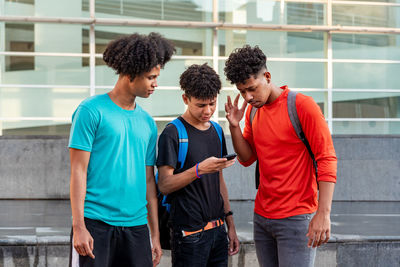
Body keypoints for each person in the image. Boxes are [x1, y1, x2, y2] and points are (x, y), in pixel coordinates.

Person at [224, 45, 337, 267]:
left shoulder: (302, 106)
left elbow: (327, 158)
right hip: (263, 217)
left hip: (297, 217)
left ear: (267, 76)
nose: (247, 97)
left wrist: (323, 213)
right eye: (242, 91)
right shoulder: (253, 110)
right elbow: (247, 159)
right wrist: (235, 127)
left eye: (252, 88)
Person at [68, 32, 174, 267]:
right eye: (150, 77)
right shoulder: (90, 111)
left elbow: (149, 181)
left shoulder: (147, 122)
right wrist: (79, 227)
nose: (155, 84)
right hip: (95, 223)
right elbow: (78, 171)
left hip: (136, 227)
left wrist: (154, 235)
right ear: (129, 74)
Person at [156, 63, 240, 267]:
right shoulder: (173, 133)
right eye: (201, 105)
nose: (208, 110)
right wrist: (199, 169)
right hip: (189, 236)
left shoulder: (217, 131)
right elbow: (165, 185)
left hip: (218, 232)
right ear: (186, 99)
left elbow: (219, 181)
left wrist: (230, 225)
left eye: (212, 103)